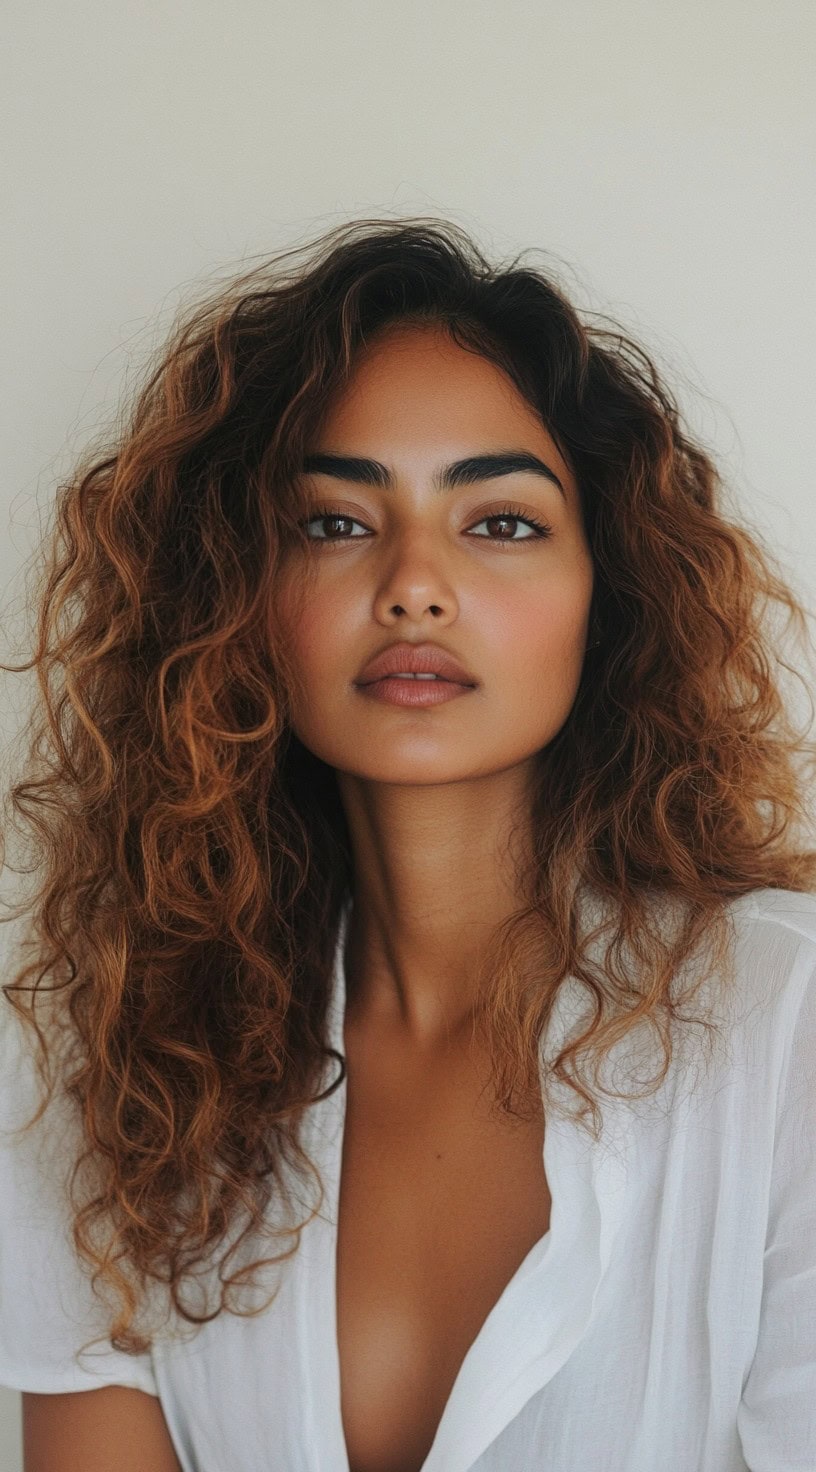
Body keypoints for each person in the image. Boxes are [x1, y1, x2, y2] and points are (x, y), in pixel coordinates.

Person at [1, 218, 815, 1472]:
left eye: (500, 523)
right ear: (234, 599)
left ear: (612, 589)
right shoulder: (119, 1057)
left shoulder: (790, 1019)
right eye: (334, 522)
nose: (415, 584)